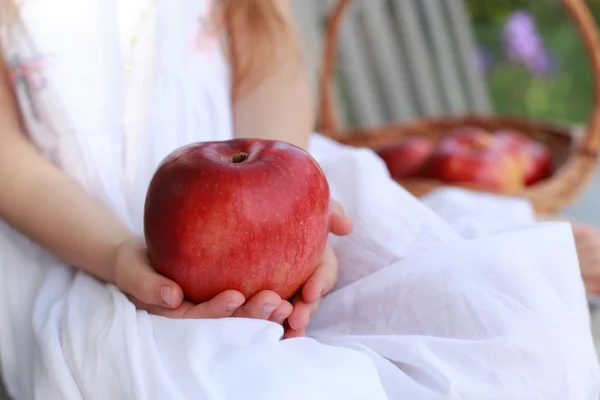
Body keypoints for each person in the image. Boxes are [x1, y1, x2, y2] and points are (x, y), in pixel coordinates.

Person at [0, 1, 599, 399]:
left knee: (511, 327)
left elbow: (270, 61)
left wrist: (294, 214)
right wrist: (117, 256)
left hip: (272, 189)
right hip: (83, 242)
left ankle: (500, 250)